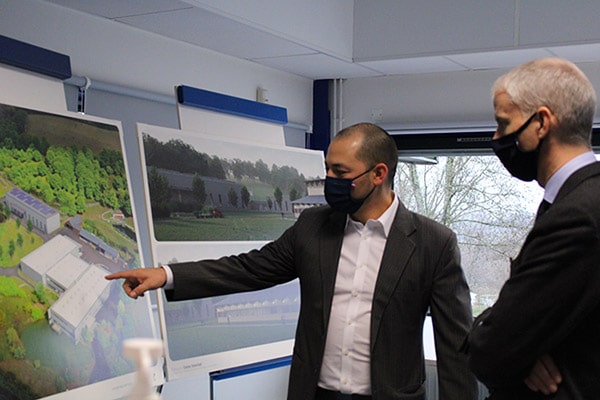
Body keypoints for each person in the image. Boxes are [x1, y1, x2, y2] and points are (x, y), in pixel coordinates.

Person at [106, 122, 478, 400]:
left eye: (341, 173)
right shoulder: (313, 226)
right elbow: (248, 268)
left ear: (378, 174)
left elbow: (455, 347)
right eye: (328, 168)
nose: (328, 179)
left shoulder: (433, 243)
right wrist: (166, 274)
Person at [466, 57, 600, 399]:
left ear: (541, 122)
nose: (497, 137)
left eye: (503, 123)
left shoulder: (578, 216)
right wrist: (521, 349)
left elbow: (491, 351)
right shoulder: (578, 199)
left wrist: (508, 345)